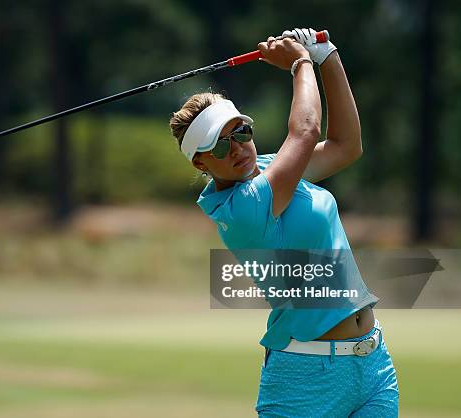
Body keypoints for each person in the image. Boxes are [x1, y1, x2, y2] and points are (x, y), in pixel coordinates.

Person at [169, 28, 399, 417]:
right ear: (200, 163)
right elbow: (306, 131)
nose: (238, 148)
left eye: (240, 131)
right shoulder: (240, 209)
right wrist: (299, 63)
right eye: (221, 145)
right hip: (304, 377)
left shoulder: (267, 170)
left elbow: (346, 145)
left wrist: (327, 56)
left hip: (372, 364)